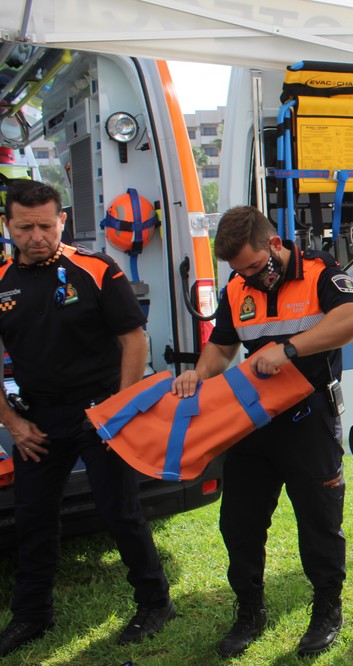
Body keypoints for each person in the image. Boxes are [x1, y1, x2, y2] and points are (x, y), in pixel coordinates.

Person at [171, 205, 353, 658]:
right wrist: (197, 375)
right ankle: (250, 611)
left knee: (319, 522)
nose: (252, 278)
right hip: (253, 422)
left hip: (309, 419)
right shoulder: (237, 286)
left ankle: (326, 610)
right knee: (239, 523)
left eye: (257, 267)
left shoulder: (320, 271)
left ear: (274, 244)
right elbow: (222, 348)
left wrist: (291, 348)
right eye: (241, 271)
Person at [0, 179, 175, 656]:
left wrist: (117, 411)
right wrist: (15, 426)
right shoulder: (2, 281)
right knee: (33, 518)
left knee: (119, 511)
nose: (37, 236)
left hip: (101, 411)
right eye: (25, 227)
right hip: (37, 419)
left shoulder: (96, 269)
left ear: (62, 221)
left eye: (45, 225)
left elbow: (133, 340)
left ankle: (155, 602)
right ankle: (32, 615)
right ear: (8, 225)